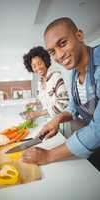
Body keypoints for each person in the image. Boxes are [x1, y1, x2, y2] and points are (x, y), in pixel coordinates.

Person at [22, 17, 100, 170]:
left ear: (79, 36)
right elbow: (73, 106)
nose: (59, 56)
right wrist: (57, 119)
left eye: (62, 43)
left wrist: (49, 155)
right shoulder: (74, 75)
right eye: (52, 51)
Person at [23, 46, 68, 120]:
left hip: (61, 122)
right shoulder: (39, 83)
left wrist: (39, 113)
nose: (38, 68)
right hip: (48, 121)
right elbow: (46, 101)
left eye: (39, 63)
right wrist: (35, 104)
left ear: (45, 61)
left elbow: (63, 103)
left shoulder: (56, 77)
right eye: (34, 66)